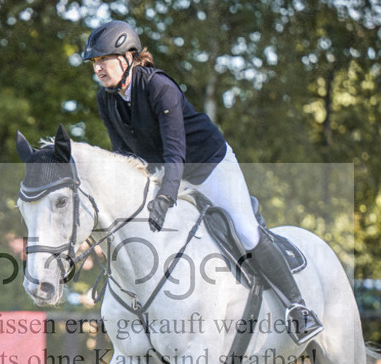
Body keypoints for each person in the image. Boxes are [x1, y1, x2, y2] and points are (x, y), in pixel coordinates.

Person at [81, 19, 323, 343]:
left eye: (104, 59)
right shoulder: (106, 99)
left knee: (245, 230)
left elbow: (176, 153)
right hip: (163, 173)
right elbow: (124, 154)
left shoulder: (158, 87)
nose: (98, 68)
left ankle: (298, 308)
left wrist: (165, 198)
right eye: (95, 62)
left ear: (128, 57)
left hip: (208, 166)